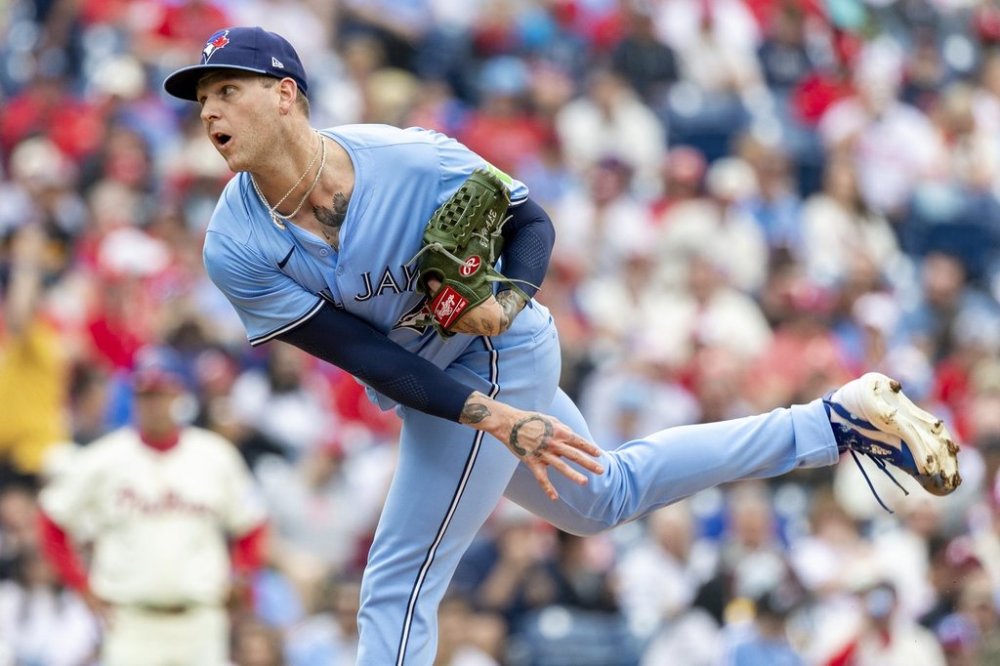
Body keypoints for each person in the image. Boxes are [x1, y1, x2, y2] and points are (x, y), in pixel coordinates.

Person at [162, 27, 962, 666]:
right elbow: (368, 358)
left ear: (286, 95)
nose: (209, 112)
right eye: (202, 98)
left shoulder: (404, 158)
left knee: (397, 582)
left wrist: (506, 301)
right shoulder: (234, 243)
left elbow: (529, 220)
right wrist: (497, 420)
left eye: (227, 89)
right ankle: (834, 423)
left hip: (505, 351)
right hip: (436, 383)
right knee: (601, 498)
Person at [35, 345, 268, 666]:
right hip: (131, 621)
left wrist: (242, 575)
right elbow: (51, 519)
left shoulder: (215, 455)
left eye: (161, 393)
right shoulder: (103, 459)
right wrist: (81, 586)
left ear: (179, 395)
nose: (153, 403)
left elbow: (252, 523)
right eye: (145, 394)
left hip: (200, 619)